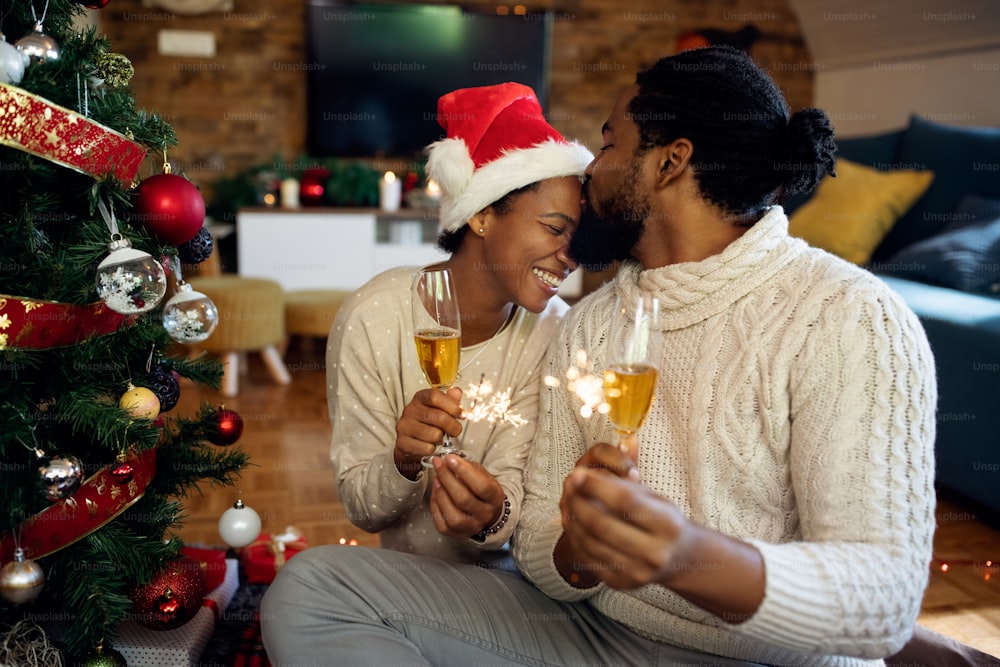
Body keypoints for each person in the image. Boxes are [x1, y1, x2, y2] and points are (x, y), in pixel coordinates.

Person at [262, 47, 936, 666]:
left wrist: (683, 555)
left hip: (765, 658)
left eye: (611, 142)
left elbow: (884, 600)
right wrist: (581, 546)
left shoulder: (847, 315)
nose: (591, 166)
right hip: (597, 638)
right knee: (315, 588)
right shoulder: (589, 323)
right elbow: (535, 547)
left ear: (669, 161)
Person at [325, 82, 592, 564]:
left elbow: (526, 507)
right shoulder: (374, 316)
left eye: (580, 238)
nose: (572, 257)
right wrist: (403, 463)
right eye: (555, 229)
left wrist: (493, 516)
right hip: (404, 579)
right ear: (482, 215)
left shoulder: (558, 333)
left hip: (514, 587)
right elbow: (362, 509)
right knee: (307, 578)